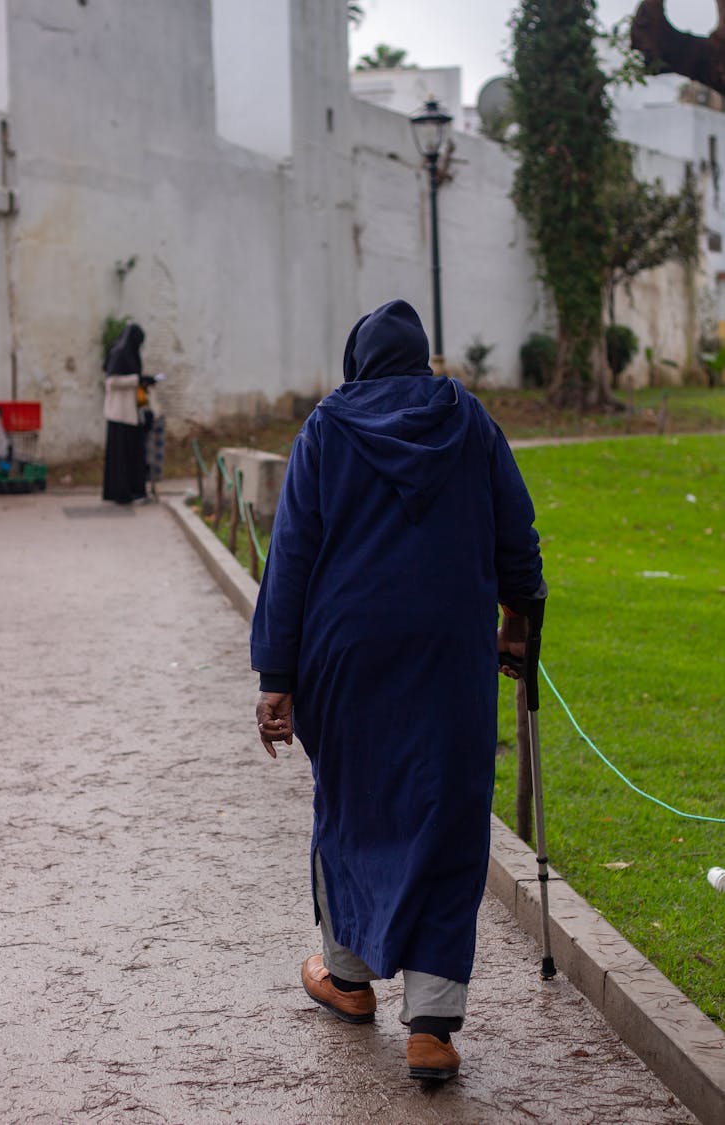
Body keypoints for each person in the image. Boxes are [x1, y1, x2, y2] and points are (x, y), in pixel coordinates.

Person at [251, 299, 544, 1081]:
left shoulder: (326, 426)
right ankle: (433, 1027)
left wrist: (277, 679)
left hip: (346, 655)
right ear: (422, 359)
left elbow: (291, 560)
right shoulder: (469, 420)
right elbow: (517, 532)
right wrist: (518, 623)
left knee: (352, 804)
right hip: (449, 652)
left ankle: (346, 978)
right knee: (447, 814)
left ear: (358, 361)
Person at [102, 322, 158, 504]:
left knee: (133, 454)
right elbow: (112, 381)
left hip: (132, 413)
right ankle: (122, 493)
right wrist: (137, 380)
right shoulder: (119, 353)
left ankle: (135, 491)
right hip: (120, 414)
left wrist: (145, 381)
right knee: (122, 457)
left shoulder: (131, 354)